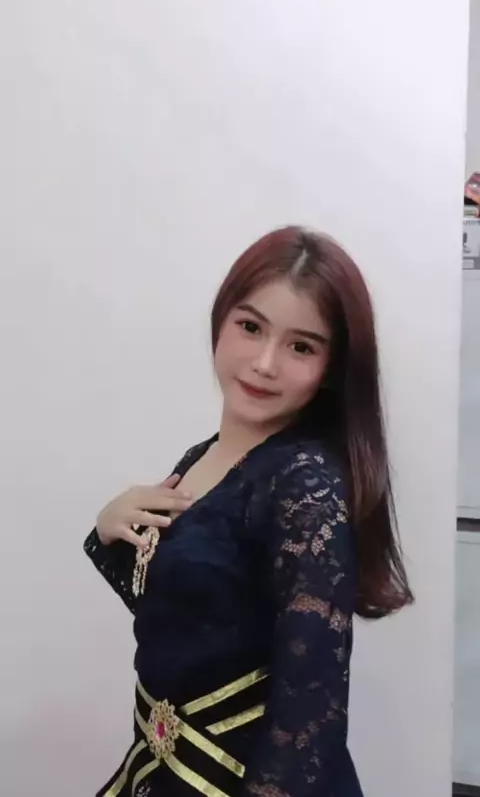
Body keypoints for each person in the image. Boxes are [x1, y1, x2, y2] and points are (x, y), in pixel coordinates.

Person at [84, 226, 413, 797]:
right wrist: (108, 530)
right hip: (165, 770)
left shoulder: (303, 483)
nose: (264, 363)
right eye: (251, 327)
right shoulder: (203, 456)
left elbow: (310, 710)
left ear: (331, 369)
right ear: (221, 320)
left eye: (301, 347)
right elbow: (198, 620)